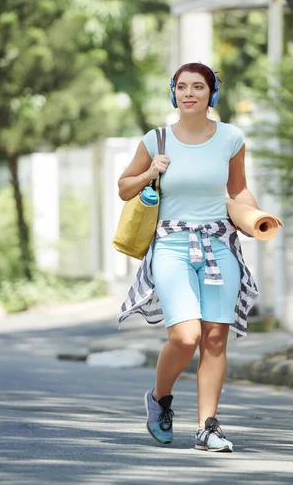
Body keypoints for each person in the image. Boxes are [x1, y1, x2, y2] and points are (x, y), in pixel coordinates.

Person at [117, 62, 260, 452]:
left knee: (215, 338)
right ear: (173, 93)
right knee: (185, 336)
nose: (189, 93)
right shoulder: (157, 139)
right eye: (182, 87)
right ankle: (159, 399)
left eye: (199, 87)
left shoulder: (232, 137)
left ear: (212, 94)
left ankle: (208, 427)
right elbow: (124, 187)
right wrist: (151, 173)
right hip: (171, 245)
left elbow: (239, 189)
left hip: (219, 243)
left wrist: (256, 216)